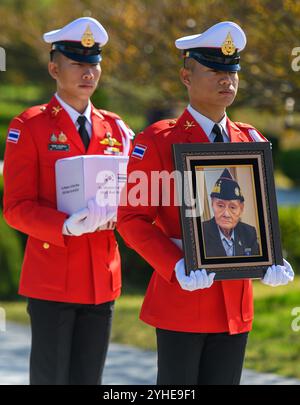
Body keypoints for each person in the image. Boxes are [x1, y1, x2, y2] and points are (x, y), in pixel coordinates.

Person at [117, 21, 294, 385]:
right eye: (214, 70)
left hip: (235, 303)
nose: (226, 79)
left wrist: (270, 256)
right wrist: (175, 264)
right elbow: (132, 220)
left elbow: (258, 214)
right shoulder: (157, 141)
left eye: (232, 71)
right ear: (186, 75)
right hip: (182, 298)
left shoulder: (251, 140)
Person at [3, 17, 133, 385]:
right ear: (53, 68)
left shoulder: (116, 128)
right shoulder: (29, 127)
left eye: (93, 63)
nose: (87, 72)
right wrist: (62, 224)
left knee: (89, 379)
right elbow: (15, 207)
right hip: (52, 278)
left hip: (103, 277)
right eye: (77, 63)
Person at [203, 168, 260, 257]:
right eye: (220, 206)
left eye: (232, 207)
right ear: (212, 204)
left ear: (241, 209)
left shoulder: (249, 232)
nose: (226, 214)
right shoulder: (201, 232)